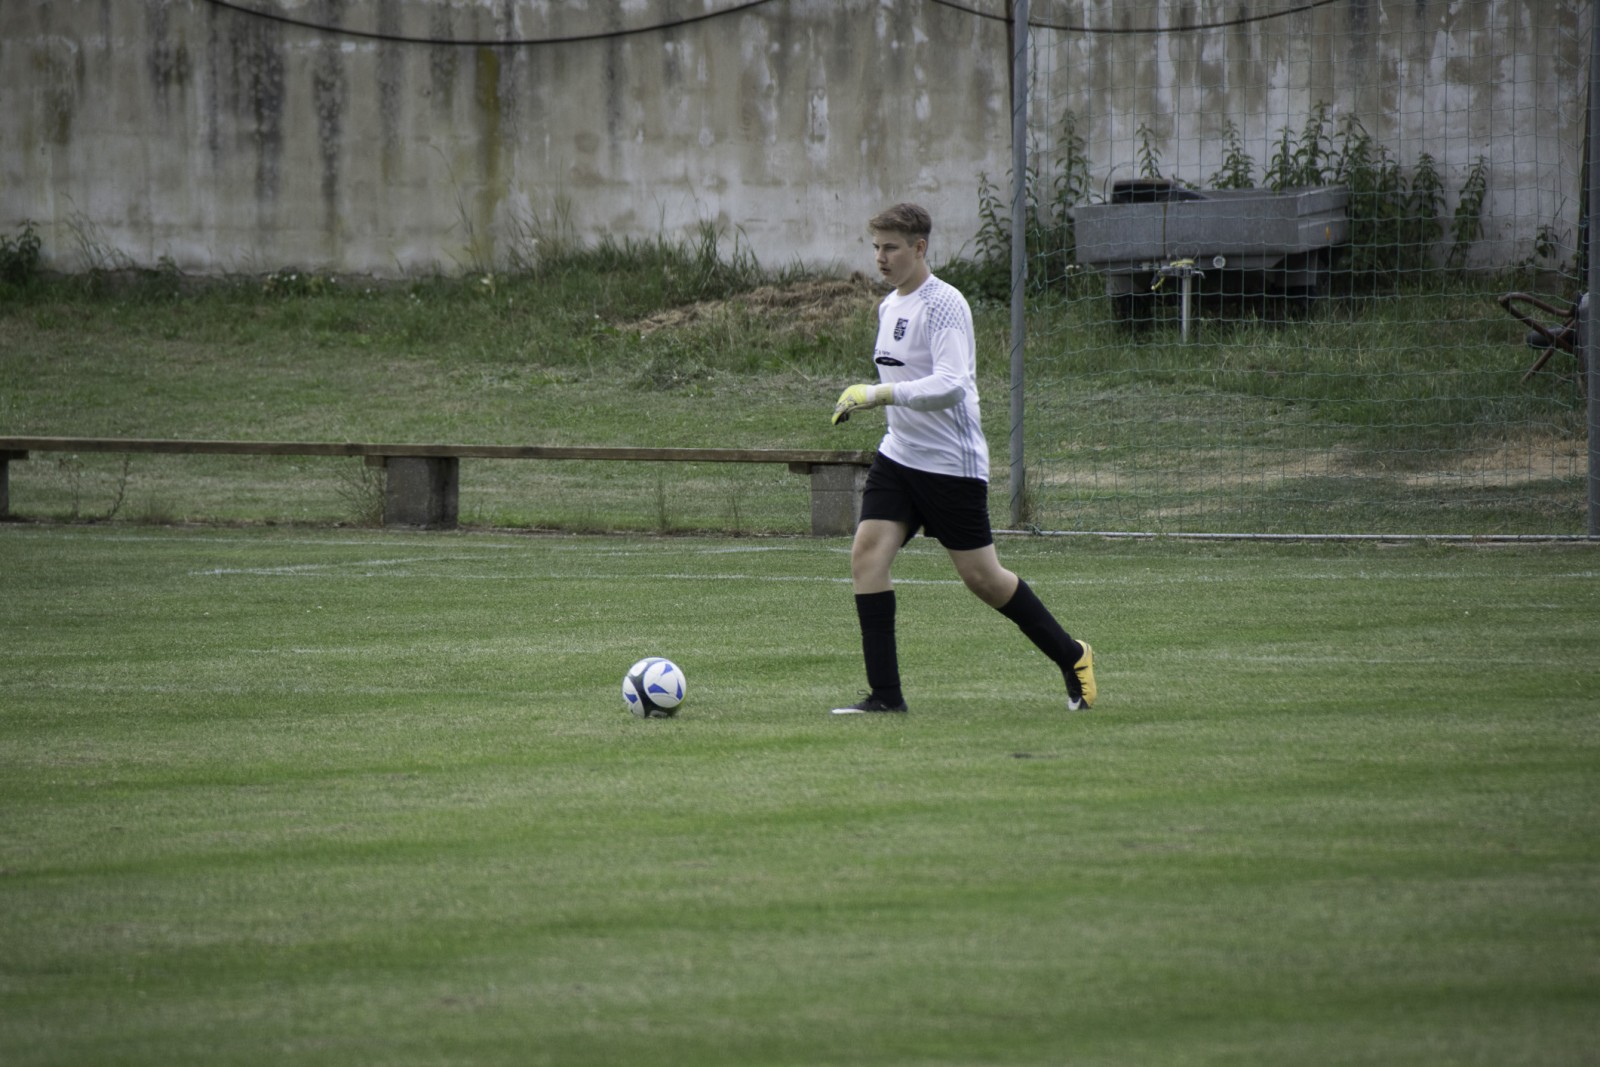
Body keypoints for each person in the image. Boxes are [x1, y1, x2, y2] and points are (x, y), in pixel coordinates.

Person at [828, 202, 1095, 715]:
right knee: (867, 557)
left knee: (983, 579)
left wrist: (877, 394)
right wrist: (875, 400)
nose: (881, 258)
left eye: (891, 248)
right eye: (876, 247)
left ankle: (1072, 654)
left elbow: (952, 385)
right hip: (899, 456)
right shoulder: (889, 306)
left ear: (919, 248)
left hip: (951, 465)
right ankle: (885, 697)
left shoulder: (945, 303)